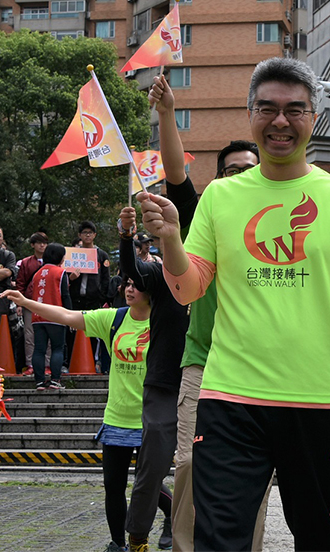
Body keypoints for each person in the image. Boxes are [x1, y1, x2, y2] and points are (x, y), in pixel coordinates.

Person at [138, 56, 330, 551]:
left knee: (320, 539)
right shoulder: (222, 196)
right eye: (267, 108)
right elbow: (189, 289)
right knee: (218, 540)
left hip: (316, 399)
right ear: (250, 114)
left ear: (314, 117)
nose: (280, 121)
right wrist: (170, 241)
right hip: (230, 399)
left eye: (295, 109)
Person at [2, 278, 171, 552]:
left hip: (150, 420)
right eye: (126, 284)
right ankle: (118, 544)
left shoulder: (165, 323)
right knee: (113, 488)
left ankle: (170, 517)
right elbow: (68, 315)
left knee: (148, 483)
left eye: (136, 285)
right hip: (116, 418)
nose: (129, 289)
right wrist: (27, 303)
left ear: (151, 291)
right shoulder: (114, 319)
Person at [159, 134, 270, 548]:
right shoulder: (208, 212)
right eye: (231, 171)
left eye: (249, 169)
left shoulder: (278, 222)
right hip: (203, 362)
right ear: (218, 178)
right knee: (188, 462)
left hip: (256, 368)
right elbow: (175, 175)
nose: (241, 176)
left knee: (253, 473)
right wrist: (168, 113)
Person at [114, 73, 197, 552]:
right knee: (154, 467)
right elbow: (132, 270)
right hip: (165, 381)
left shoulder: (222, 268)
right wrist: (126, 238)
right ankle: (138, 536)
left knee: (196, 469)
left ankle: (184, 534)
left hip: (215, 378)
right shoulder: (166, 271)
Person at [22, 243, 71, 391]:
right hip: (56, 315)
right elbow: (65, 295)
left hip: (38, 316)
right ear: (60, 257)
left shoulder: (38, 273)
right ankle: (55, 380)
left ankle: (39, 382)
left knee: (39, 350)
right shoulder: (60, 273)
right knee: (57, 348)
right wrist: (70, 315)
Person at [68, 221, 112, 372]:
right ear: (79, 235)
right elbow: (65, 275)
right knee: (73, 331)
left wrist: (102, 297)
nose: (87, 235)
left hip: (94, 299)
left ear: (95, 235)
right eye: (84, 233)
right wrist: (71, 278)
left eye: (90, 233)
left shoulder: (101, 255)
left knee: (92, 332)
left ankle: (92, 363)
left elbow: (106, 278)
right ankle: (71, 364)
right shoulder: (73, 254)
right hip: (76, 299)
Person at [16, 232, 50, 373]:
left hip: (48, 303)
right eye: (39, 242)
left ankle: (47, 364)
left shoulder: (52, 261)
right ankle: (30, 364)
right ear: (32, 245)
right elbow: (20, 283)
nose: (42, 245)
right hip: (29, 302)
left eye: (44, 242)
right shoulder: (26, 263)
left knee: (48, 333)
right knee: (29, 334)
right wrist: (19, 304)